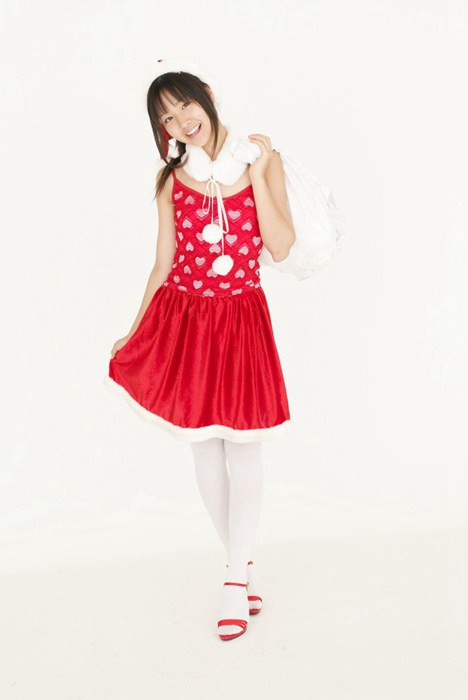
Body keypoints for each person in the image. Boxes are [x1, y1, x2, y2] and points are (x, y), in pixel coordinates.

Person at [103, 61, 296, 640]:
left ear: (207, 96)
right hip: (187, 320)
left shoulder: (261, 159)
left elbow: (280, 247)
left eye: (185, 104)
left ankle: (235, 580)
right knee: (205, 451)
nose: (181, 120)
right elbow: (162, 263)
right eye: (166, 117)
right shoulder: (170, 180)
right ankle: (240, 569)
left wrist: (258, 173)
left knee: (245, 448)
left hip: (241, 320)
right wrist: (134, 330)